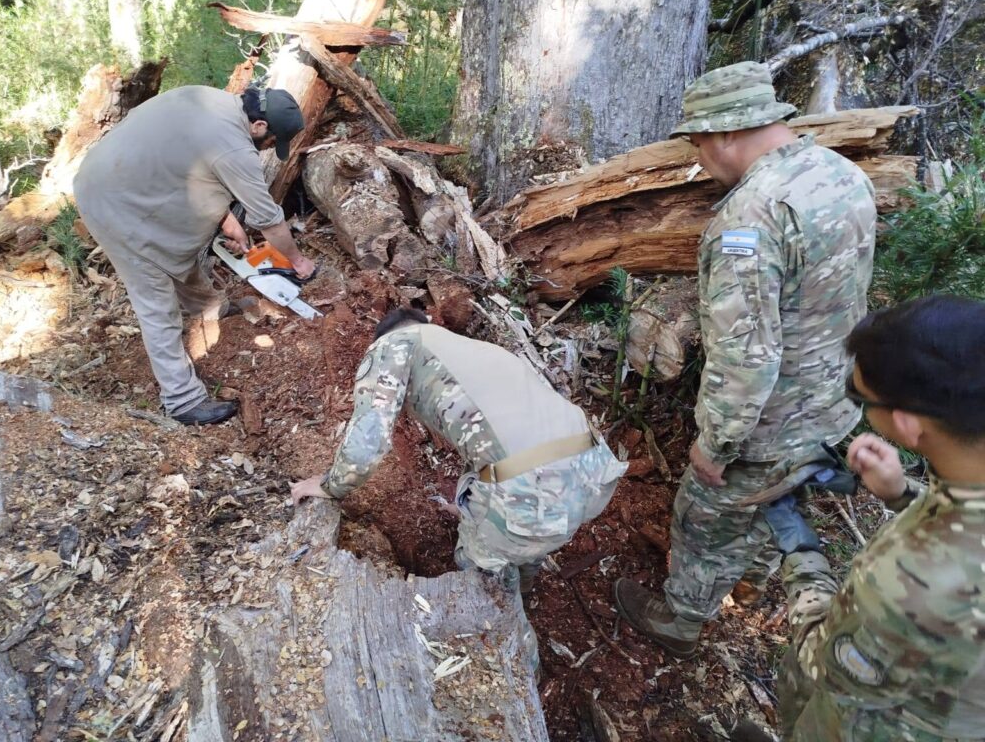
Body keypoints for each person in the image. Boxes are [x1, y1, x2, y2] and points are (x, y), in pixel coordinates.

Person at [613, 61, 877, 656]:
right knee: (778, 502)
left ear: (728, 132)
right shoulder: (839, 174)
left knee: (703, 516)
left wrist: (717, 444)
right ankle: (750, 584)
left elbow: (746, 355)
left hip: (768, 425)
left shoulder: (750, 216)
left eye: (700, 142)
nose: (700, 157)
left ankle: (679, 621)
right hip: (831, 405)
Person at [292, 308, 627, 669]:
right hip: (595, 472)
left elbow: (366, 444)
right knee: (505, 518)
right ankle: (523, 575)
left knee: (478, 570)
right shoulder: (472, 351)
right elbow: (506, 437)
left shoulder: (392, 345)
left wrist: (329, 487)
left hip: (537, 495)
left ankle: (517, 664)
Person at [759, 295, 985, 740]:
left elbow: (825, 664)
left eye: (858, 394)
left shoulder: (917, 583)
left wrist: (801, 553)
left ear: (906, 425)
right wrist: (903, 495)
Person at [73, 84, 316, 425]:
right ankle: (182, 399)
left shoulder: (208, 98)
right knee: (156, 300)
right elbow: (270, 221)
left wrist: (225, 217)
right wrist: (299, 262)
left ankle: (208, 308)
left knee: (181, 247)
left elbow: (180, 164)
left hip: (117, 176)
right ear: (259, 126)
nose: (268, 148)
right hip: (113, 202)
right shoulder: (235, 148)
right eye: (272, 142)